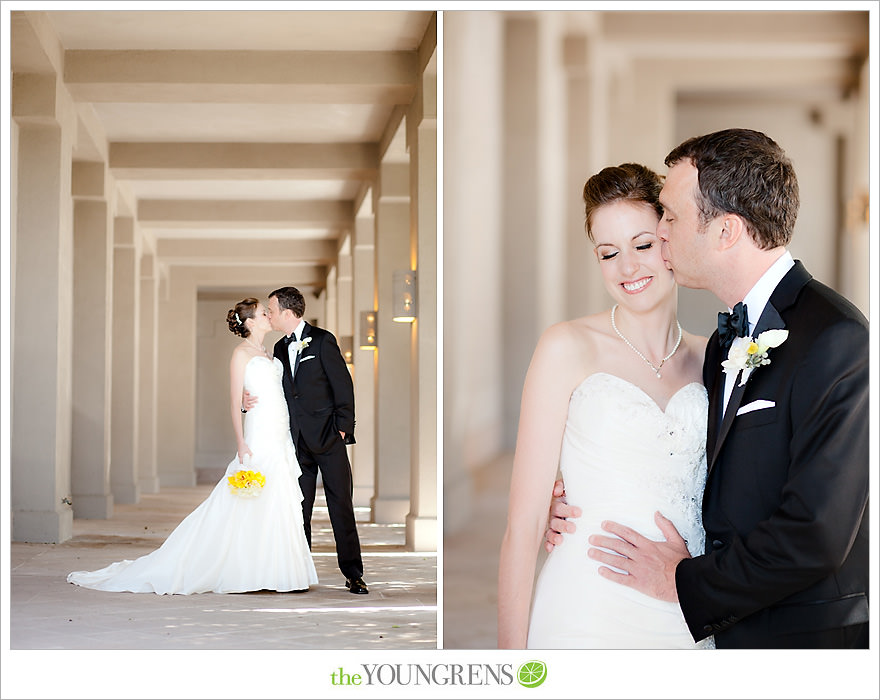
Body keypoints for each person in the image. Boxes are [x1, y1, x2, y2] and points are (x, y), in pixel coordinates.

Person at [548, 128, 869, 649]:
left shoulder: (836, 337)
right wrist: (582, 499)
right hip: (728, 630)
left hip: (804, 637)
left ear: (725, 231)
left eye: (670, 218)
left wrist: (683, 581)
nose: (663, 233)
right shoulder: (723, 345)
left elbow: (818, 533)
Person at [497, 163, 712, 649]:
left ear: (670, 238)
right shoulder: (565, 346)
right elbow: (524, 523)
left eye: (643, 244)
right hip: (586, 601)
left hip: (686, 603)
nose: (628, 268)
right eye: (608, 253)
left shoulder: (711, 357)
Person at [68, 298, 318, 594]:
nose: (268, 316)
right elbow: (233, 399)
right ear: (250, 322)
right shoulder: (241, 354)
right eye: (264, 313)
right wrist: (241, 442)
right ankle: (238, 567)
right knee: (249, 496)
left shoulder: (270, 352)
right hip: (260, 432)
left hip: (281, 431)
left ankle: (275, 569)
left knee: (276, 494)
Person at [245, 286, 367, 595]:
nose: (269, 315)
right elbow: (276, 392)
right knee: (299, 508)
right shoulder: (279, 348)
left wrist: (342, 429)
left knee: (341, 505)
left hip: (329, 439)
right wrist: (247, 400)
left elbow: (343, 386)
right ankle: (299, 571)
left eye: (271, 310)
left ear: (287, 312)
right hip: (295, 443)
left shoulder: (324, 340)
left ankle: (354, 574)